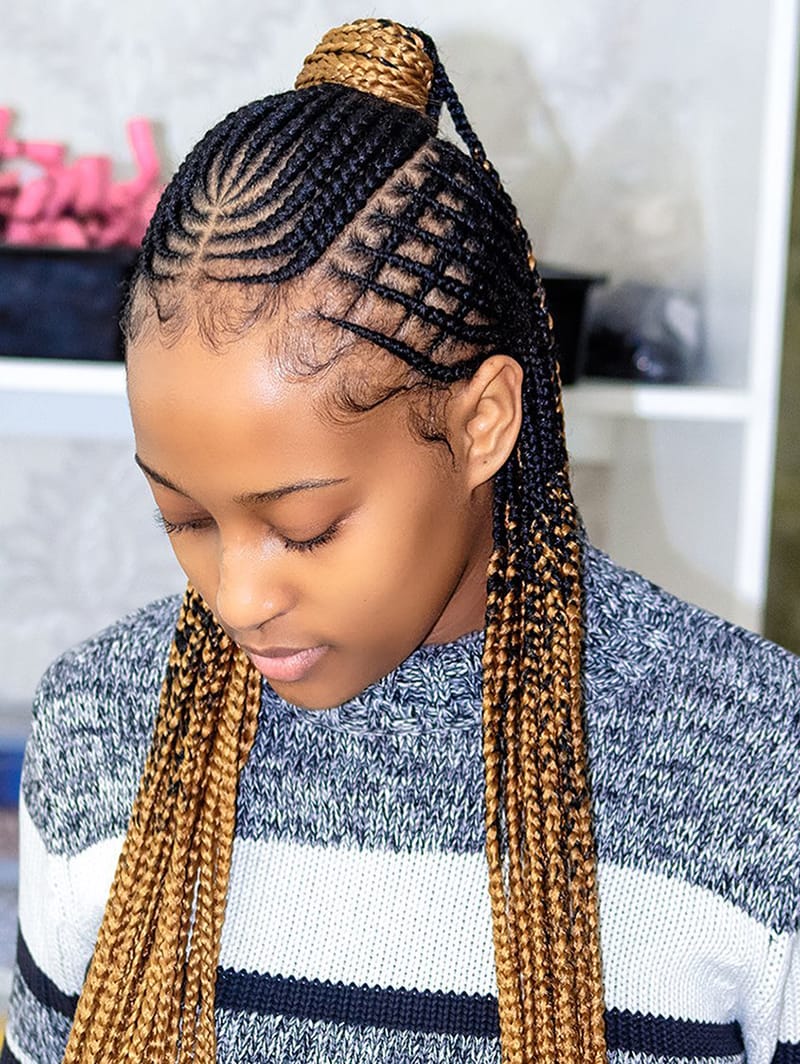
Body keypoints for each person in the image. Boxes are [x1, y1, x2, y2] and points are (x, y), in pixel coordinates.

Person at [2, 17, 799, 1064]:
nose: (237, 595)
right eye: (184, 518)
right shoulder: (99, 726)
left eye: (305, 526)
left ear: (480, 425)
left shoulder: (753, 763)